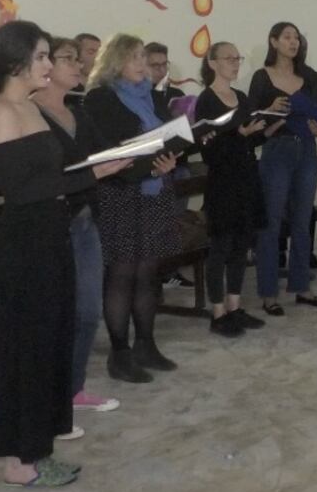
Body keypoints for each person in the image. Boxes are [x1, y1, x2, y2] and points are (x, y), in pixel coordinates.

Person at [0, 20, 128, 487]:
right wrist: (96, 175)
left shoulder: (31, 109)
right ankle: (18, 461)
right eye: (42, 57)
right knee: (26, 354)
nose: (50, 65)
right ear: (16, 61)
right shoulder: (1, 111)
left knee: (50, 349)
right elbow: (25, 190)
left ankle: (37, 451)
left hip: (52, 236)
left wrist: (104, 163)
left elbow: (58, 169)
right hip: (23, 244)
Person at [83, 34, 183, 383]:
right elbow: (110, 148)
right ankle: (119, 353)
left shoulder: (153, 98)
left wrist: (169, 159)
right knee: (122, 272)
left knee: (148, 271)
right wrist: (149, 161)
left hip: (154, 191)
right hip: (120, 193)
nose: (142, 63)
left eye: (144, 56)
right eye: (135, 57)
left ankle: (146, 344)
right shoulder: (100, 98)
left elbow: (165, 138)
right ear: (115, 61)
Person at [29, 36, 121, 416]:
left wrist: (146, 153)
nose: (78, 66)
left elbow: (106, 157)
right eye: (68, 58)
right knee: (53, 316)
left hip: (84, 221)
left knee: (87, 312)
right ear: (45, 65)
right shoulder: (28, 115)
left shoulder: (78, 113)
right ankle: (48, 396)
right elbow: (38, 176)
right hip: (49, 226)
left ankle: (74, 388)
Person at [249, 22, 317, 316]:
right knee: (271, 222)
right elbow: (252, 122)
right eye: (287, 37)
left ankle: (302, 287)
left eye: (297, 37)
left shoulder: (312, 78)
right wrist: (272, 110)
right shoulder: (261, 77)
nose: (293, 42)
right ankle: (268, 293)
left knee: (302, 219)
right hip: (277, 150)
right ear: (273, 41)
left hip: (307, 147)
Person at [196, 41, 270, 336]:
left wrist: (267, 128)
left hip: (247, 177)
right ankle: (217, 312)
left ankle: (235, 306)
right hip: (223, 181)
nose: (236, 63)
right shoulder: (206, 100)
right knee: (221, 246)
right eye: (229, 58)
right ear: (212, 63)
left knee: (242, 244)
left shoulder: (242, 96)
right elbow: (209, 151)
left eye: (238, 58)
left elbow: (253, 139)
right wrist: (238, 134)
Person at [146, 40, 197, 291]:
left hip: (179, 165)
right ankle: (156, 273)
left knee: (175, 222)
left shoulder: (176, 96)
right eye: (153, 65)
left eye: (163, 64)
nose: (159, 70)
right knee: (155, 223)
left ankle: (171, 269)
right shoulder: (142, 97)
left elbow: (189, 136)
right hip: (154, 169)